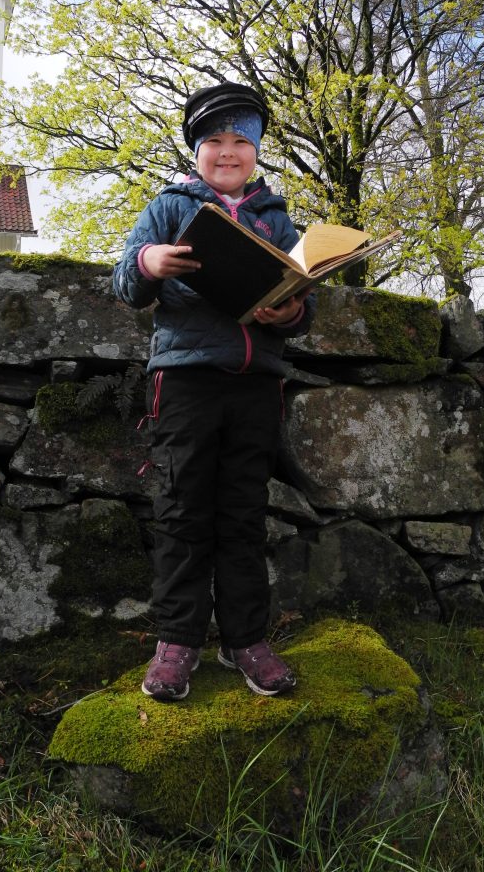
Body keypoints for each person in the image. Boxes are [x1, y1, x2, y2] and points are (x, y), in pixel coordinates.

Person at [113, 81, 315, 701]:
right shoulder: (170, 208)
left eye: (241, 141)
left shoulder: (279, 222)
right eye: (214, 141)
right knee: (182, 512)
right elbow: (124, 282)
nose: (228, 153)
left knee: (243, 516)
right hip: (185, 381)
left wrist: (292, 314)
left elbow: (301, 305)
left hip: (256, 384)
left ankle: (246, 639)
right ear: (195, 150)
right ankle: (177, 642)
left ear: (256, 151)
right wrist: (148, 263)